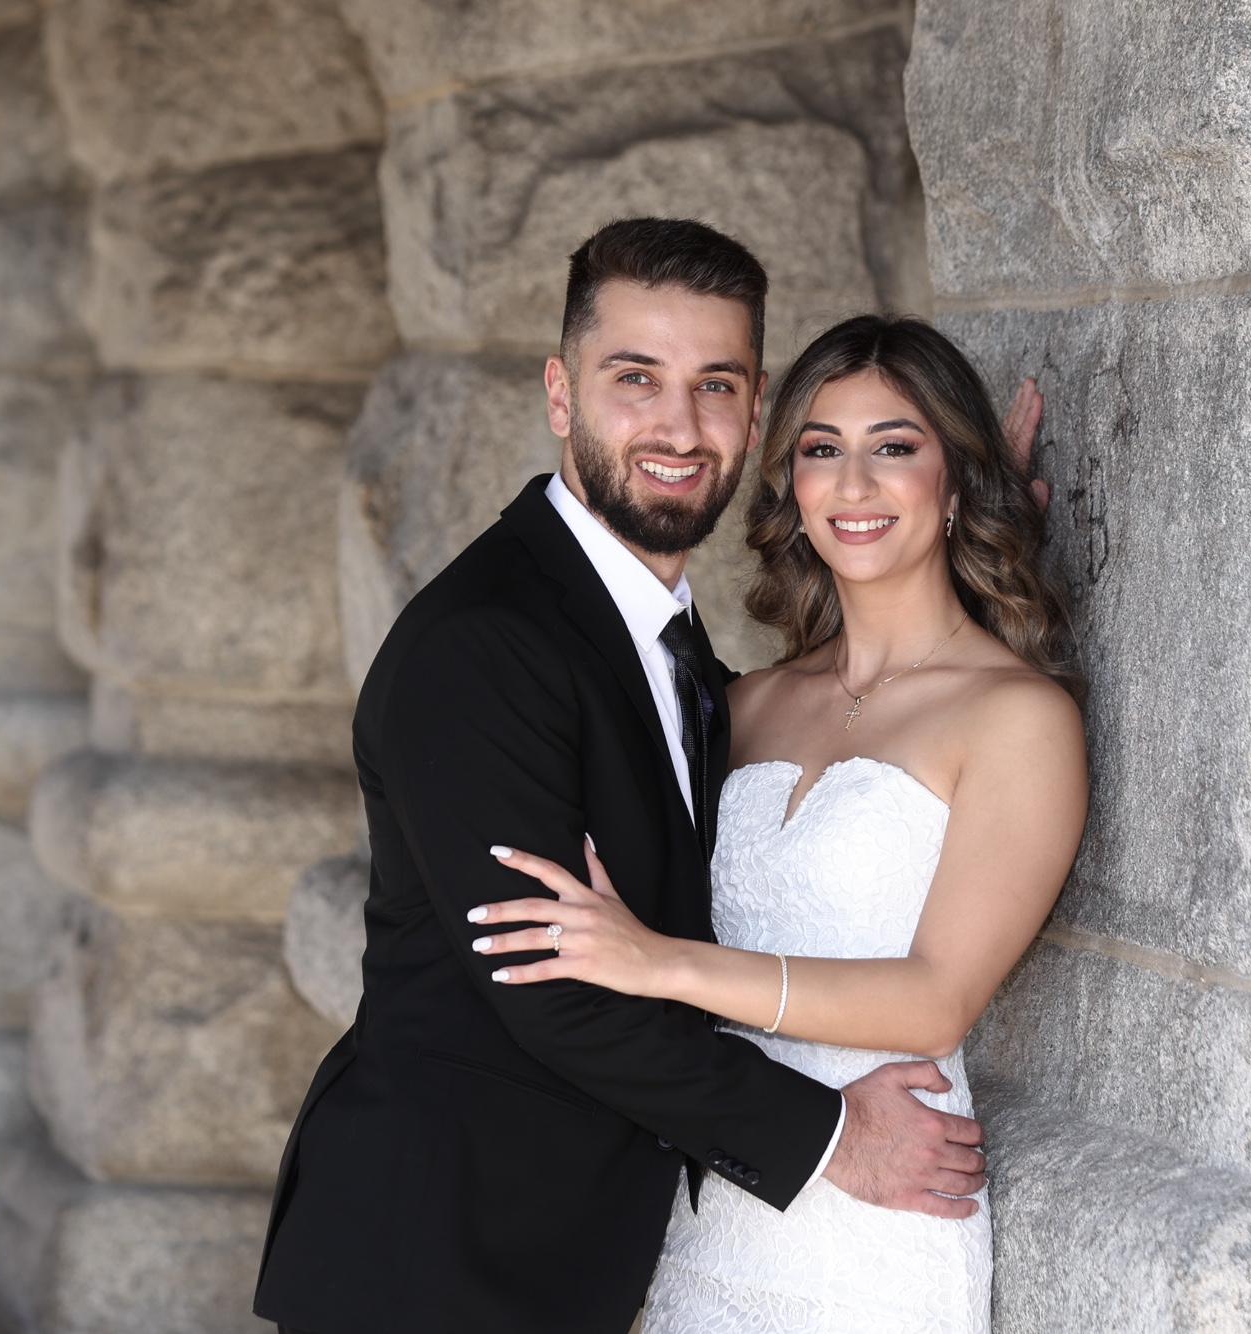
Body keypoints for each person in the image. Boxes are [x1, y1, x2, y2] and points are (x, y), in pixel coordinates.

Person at [253, 221, 1031, 1334]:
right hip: (438, 1261)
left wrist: (956, 531)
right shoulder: (484, 641)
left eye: (715, 385)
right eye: (635, 379)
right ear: (560, 394)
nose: (679, 425)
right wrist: (828, 1135)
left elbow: (865, 718)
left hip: (606, 1261)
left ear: (752, 414)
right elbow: (552, 987)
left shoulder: (677, 653)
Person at [472, 314, 1088, 1331]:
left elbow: (935, 1000)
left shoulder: (1015, 717)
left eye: (896, 448)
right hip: (709, 1207)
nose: (854, 485)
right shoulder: (743, 704)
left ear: (955, 482)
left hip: (880, 1216)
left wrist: (659, 964)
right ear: (791, 487)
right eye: (821, 450)